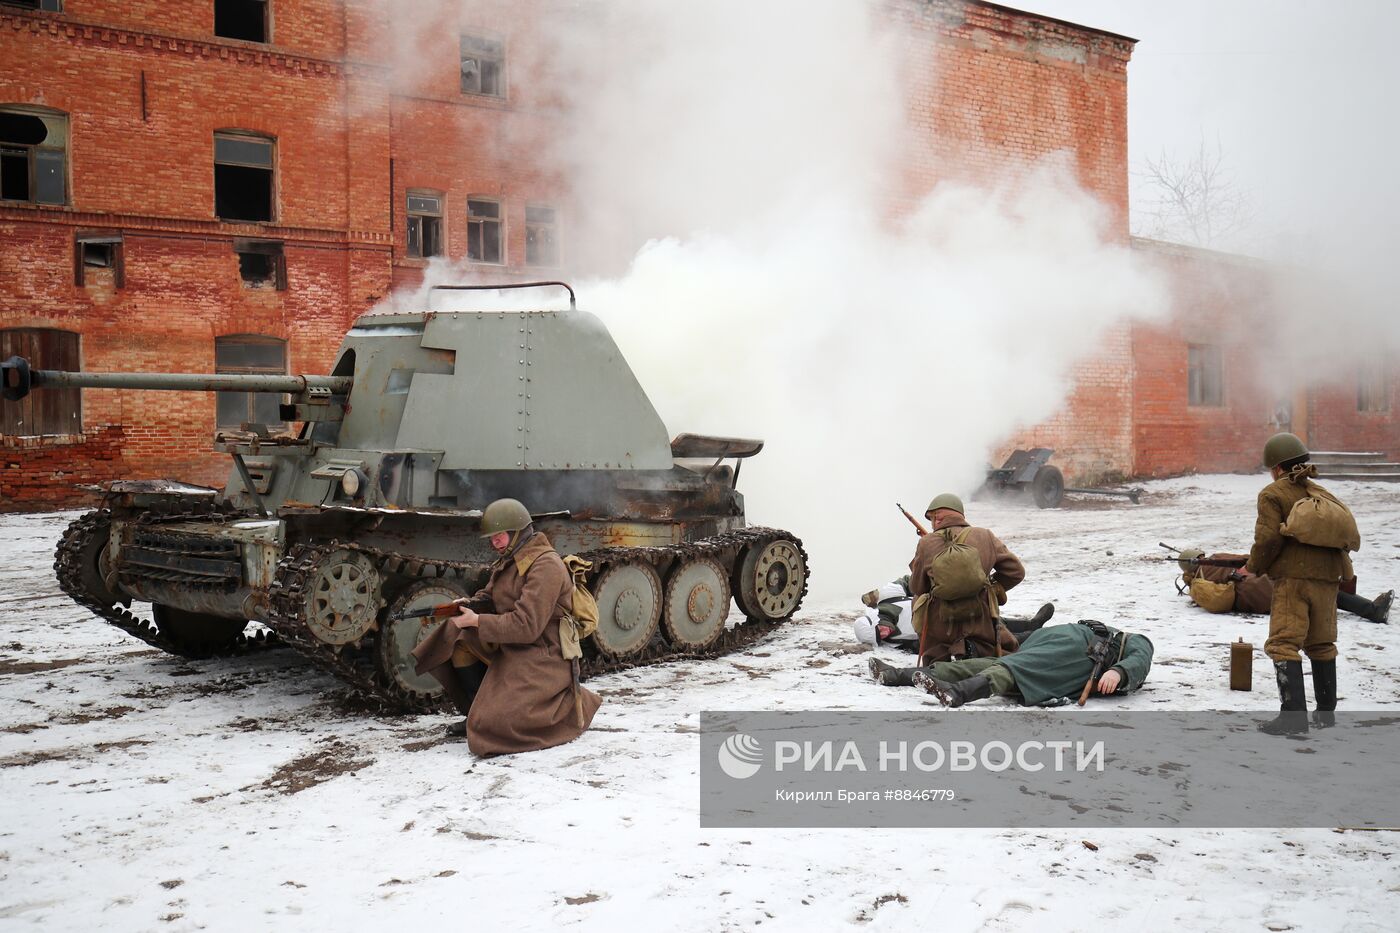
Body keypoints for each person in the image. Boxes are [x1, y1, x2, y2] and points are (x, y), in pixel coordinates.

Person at [411, 497, 602, 756]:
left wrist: (477, 621)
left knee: (491, 728)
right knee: (457, 635)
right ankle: (475, 712)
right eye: (492, 537)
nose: (494, 542)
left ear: (517, 532)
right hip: (514, 645)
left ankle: (569, 704)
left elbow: (527, 626)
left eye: (499, 536)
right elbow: (491, 597)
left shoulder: (546, 565)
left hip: (543, 654)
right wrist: (468, 605)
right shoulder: (512, 559)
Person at [1248, 433, 1358, 735]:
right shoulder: (1319, 492)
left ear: (1276, 467)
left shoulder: (1273, 493)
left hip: (1293, 580)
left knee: (1283, 643)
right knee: (1321, 643)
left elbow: (1268, 538)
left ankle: (1293, 719)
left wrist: (1253, 566)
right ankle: (1325, 715)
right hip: (1328, 578)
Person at [903, 620, 1154, 708]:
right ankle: (896, 675)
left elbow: (1141, 658)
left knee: (1010, 669)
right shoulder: (1119, 637)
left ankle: (956, 693)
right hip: (1055, 644)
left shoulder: (1134, 642)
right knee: (992, 664)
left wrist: (1118, 672)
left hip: (1072, 655)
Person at [908, 493, 1025, 664]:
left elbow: (917, 587)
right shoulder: (985, 536)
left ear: (937, 518)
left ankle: (937, 660)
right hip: (979, 617)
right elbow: (1016, 572)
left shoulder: (927, 543)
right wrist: (992, 588)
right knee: (1003, 646)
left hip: (941, 622)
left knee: (919, 600)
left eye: (932, 519)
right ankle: (977, 651)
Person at [1175, 548, 1391, 623]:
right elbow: (1250, 559)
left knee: (1312, 597)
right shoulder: (1214, 562)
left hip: (1254, 598)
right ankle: (1373, 611)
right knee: (1320, 592)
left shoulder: (1198, 583)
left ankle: (1369, 609)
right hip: (1259, 587)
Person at [854, 574, 1054, 654]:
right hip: (949, 632)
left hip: (946, 607)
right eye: (881, 638)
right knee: (993, 637)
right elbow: (921, 647)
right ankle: (1040, 636)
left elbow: (912, 580)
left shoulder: (887, 598)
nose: (885, 633)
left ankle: (1031, 625)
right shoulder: (896, 642)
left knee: (991, 620)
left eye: (880, 631)